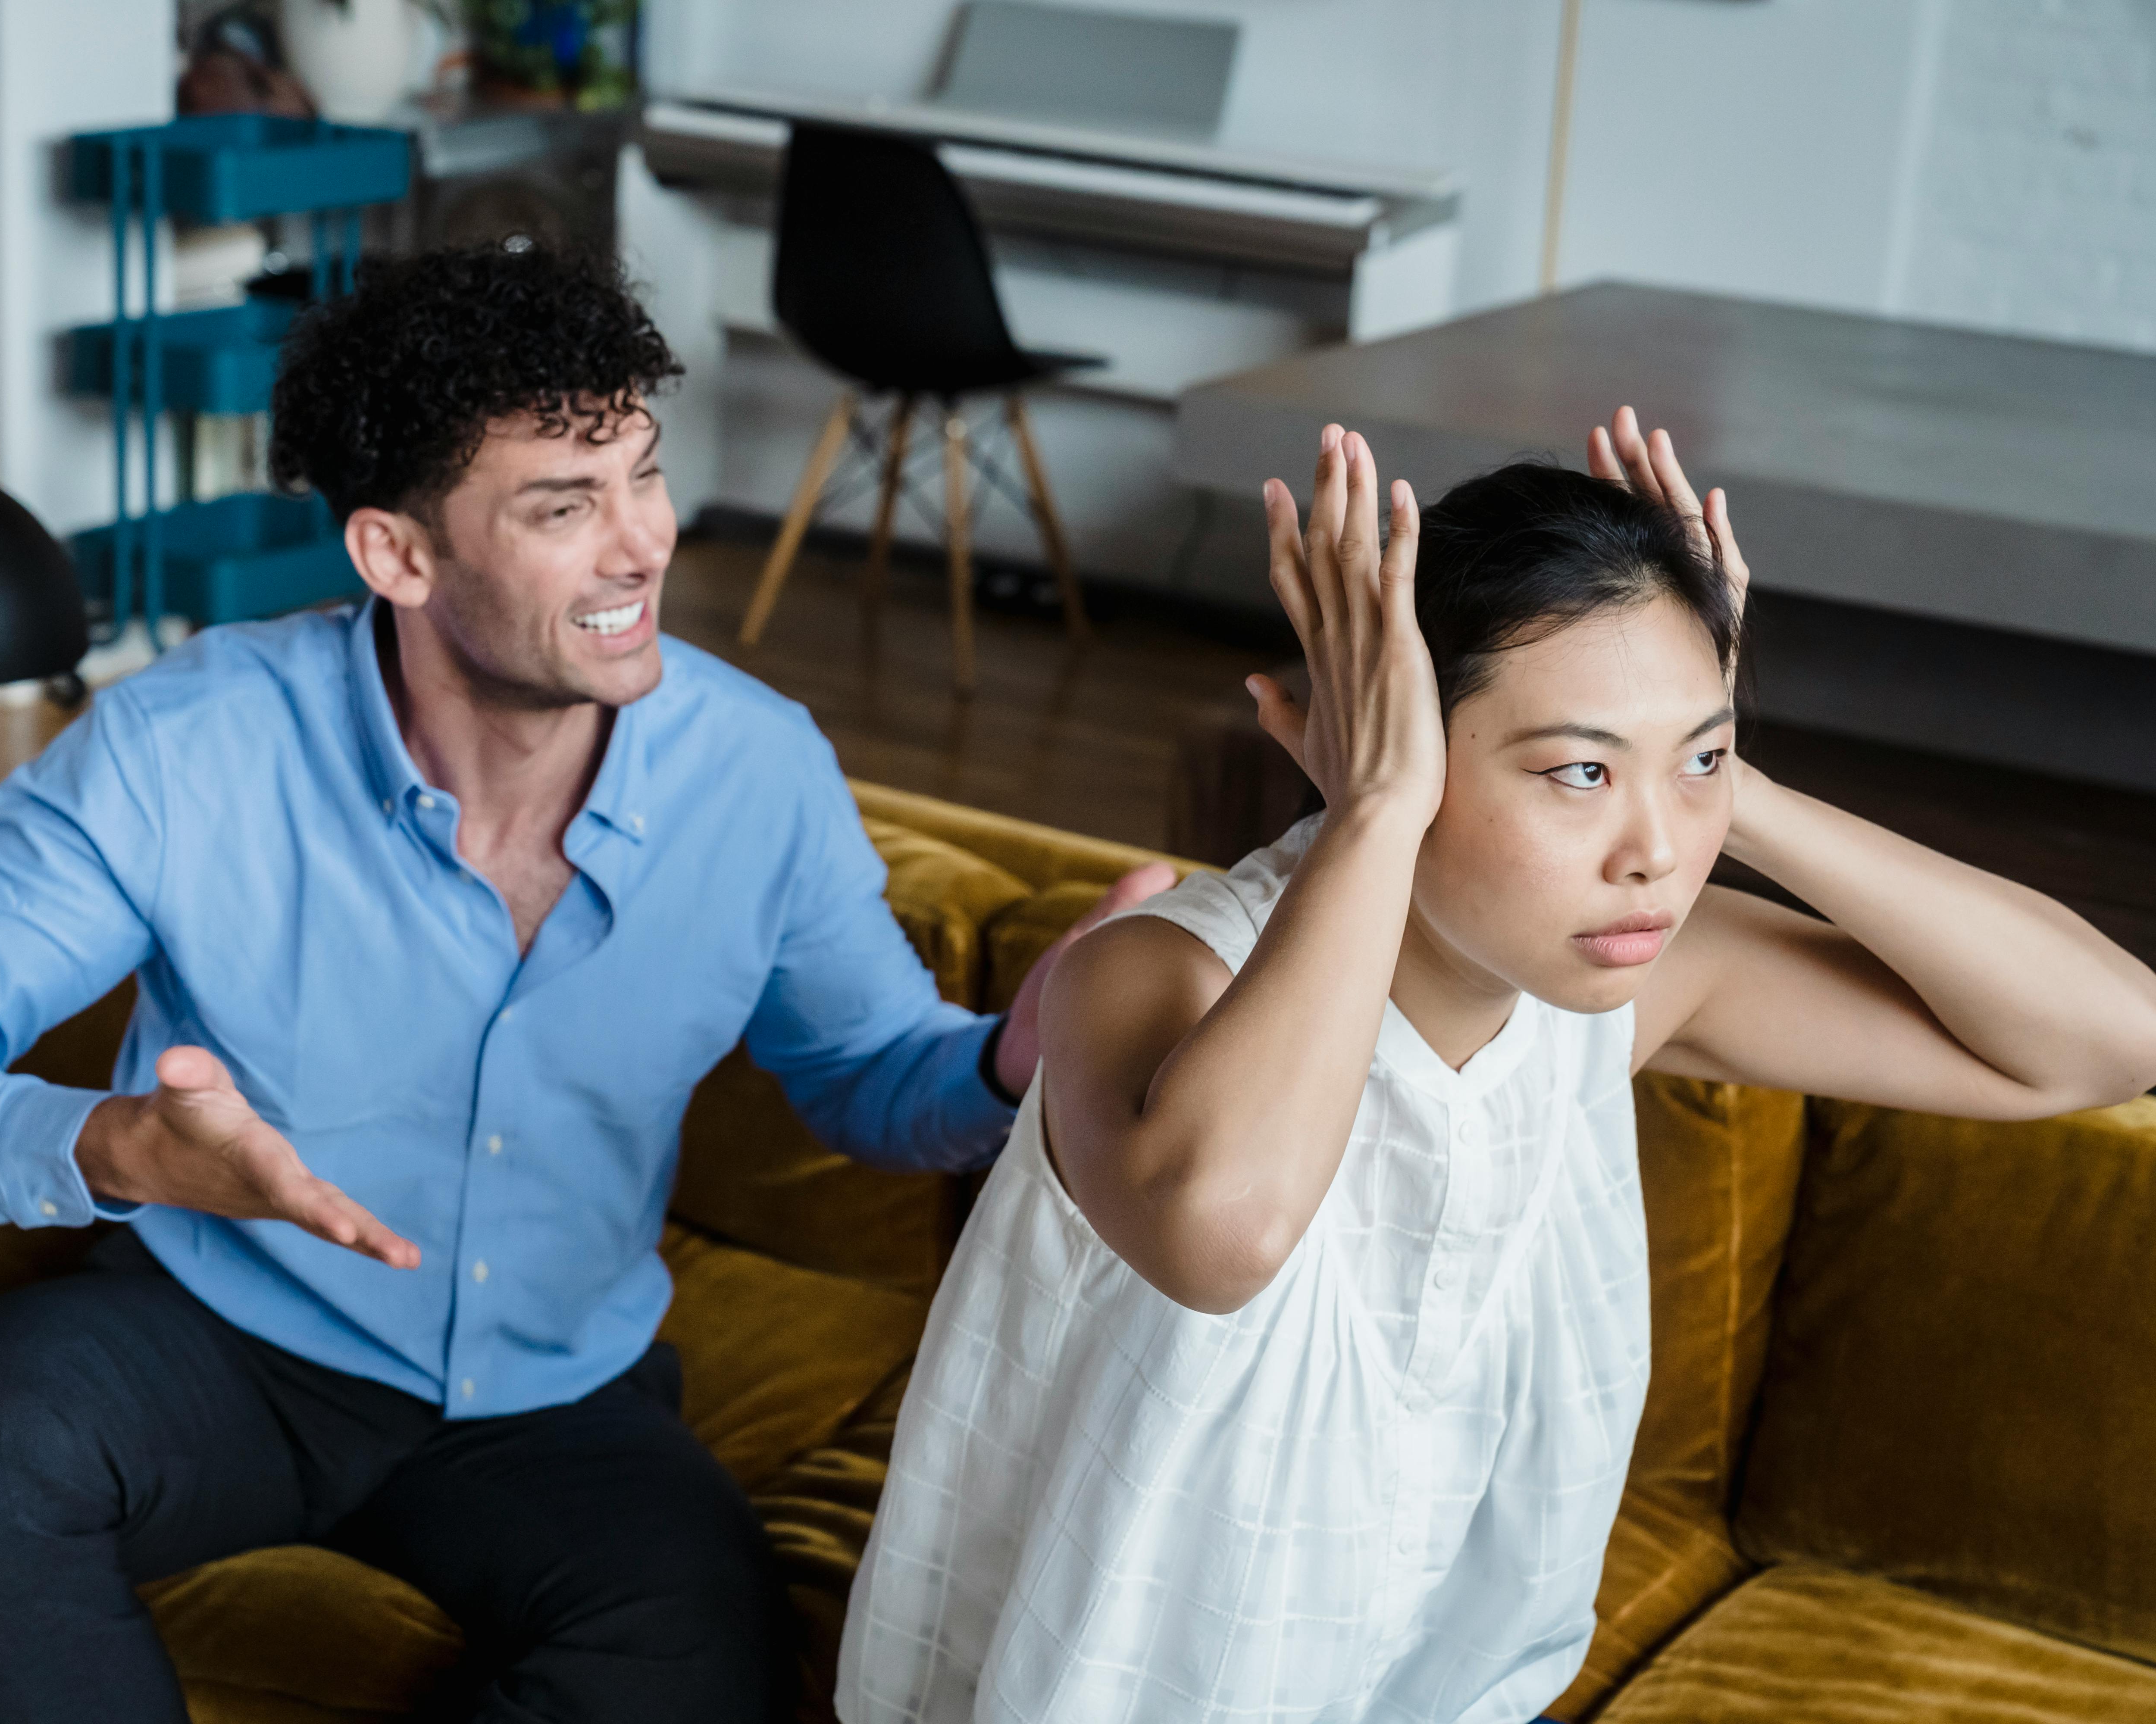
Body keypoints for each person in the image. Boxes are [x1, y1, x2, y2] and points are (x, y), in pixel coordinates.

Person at [0, 242, 1168, 1724]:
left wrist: (1015, 1057)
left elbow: (874, 1080)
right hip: (224, 1332)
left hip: (558, 1392)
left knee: (701, 1660)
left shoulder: (761, 774)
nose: (642, 546)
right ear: (398, 555)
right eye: (566, 508)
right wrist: (120, 1148)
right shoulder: (182, 750)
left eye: (642, 474)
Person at [839, 412, 2156, 1723]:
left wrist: (1695, 760)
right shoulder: (1155, 973)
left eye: (1703, 758)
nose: (1656, 850)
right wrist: (1377, 808)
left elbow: (2108, 1041)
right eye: (1576, 771)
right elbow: (1225, 1235)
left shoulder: (1609, 987)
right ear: (1379, 740)